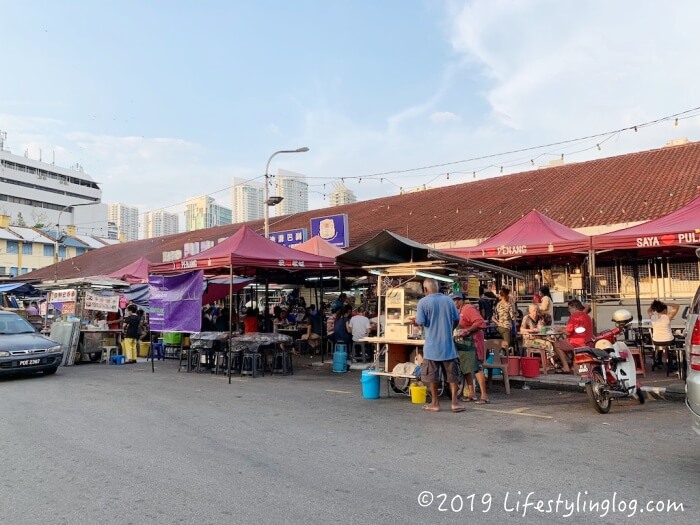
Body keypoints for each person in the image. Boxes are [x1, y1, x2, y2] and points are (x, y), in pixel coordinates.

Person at [412, 278, 464, 413]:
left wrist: (415, 321)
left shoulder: (423, 302)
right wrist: (449, 330)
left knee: (432, 377)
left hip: (432, 347)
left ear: (425, 290)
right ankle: (454, 403)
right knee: (452, 376)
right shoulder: (448, 300)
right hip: (448, 346)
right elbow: (456, 319)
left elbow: (421, 321)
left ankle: (435, 403)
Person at [452, 294, 489, 404]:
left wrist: (467, 330)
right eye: (453, 300)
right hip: (462, 343)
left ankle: (484, 395)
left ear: (461, 300)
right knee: (466, 367)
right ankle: (471, 394)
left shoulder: (468, 308)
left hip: (473, 342)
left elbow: (480, 322)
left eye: (457, 300)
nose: (455, 302)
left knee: (477, 367)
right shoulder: (457, 311)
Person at [521, 304, 571, 373]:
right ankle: (550, 364)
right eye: (533, 311)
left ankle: (555, 362)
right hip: (529, 340)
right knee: (548, 344)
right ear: (529, 311)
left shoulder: (540, 317)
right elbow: (522, 330)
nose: (535, 312)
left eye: (536, 310)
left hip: (540, 337)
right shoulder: (526, 318)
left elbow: (543, 327)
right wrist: (531, 330)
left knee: (554, 342)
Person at [647, 299, 680, 370]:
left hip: (656, 341)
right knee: (675, 341)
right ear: (665, 310)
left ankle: (659, 361)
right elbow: (677, 306)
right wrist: (666, 303)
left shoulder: (653, 317)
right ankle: (671, 361)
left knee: (660, 344)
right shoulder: (668, 317)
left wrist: (654, 306)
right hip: (668, 340)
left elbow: (649, 311)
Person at [492, 287, 516, 353]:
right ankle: (503, 357)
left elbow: (494, 317)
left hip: (499, 327)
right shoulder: (509, 305)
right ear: (506, 295)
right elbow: (513, 317)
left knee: (504, 343)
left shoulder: (498, 305)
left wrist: (498, 322)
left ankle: (499, 353)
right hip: (506, 327)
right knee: (507, 345)